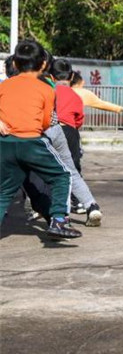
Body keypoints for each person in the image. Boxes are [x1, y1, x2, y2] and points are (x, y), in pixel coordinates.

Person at [0, 41, 81, 239]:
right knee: (62, 175)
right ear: (44, 64)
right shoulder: (46, 89)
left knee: (5, 190)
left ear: (15, 64)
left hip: (5, 144)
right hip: (32, 142)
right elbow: (46, 122)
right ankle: (59, 221)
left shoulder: (4, 85)